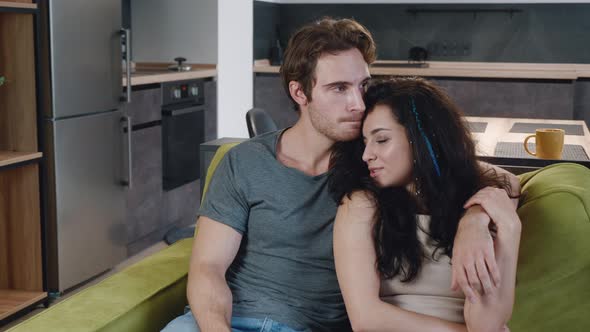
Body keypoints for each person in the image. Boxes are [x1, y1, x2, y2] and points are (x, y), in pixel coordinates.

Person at [162, 18, 519, 332]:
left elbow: (486, 175)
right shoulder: (244, 163)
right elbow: (208, 268)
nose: (359, 104)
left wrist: (475, 217)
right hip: (221, 322)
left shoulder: (376, 164)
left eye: (363, 85)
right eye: (339, 89)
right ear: (300, 92)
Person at [329, 77, 522, 332]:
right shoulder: (361, 205)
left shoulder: (487, 201)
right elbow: (366, 320)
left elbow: (485, 324)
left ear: (423, 138)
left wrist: (494, 225)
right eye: (365, 142)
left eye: (382, 140)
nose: (367, 155)